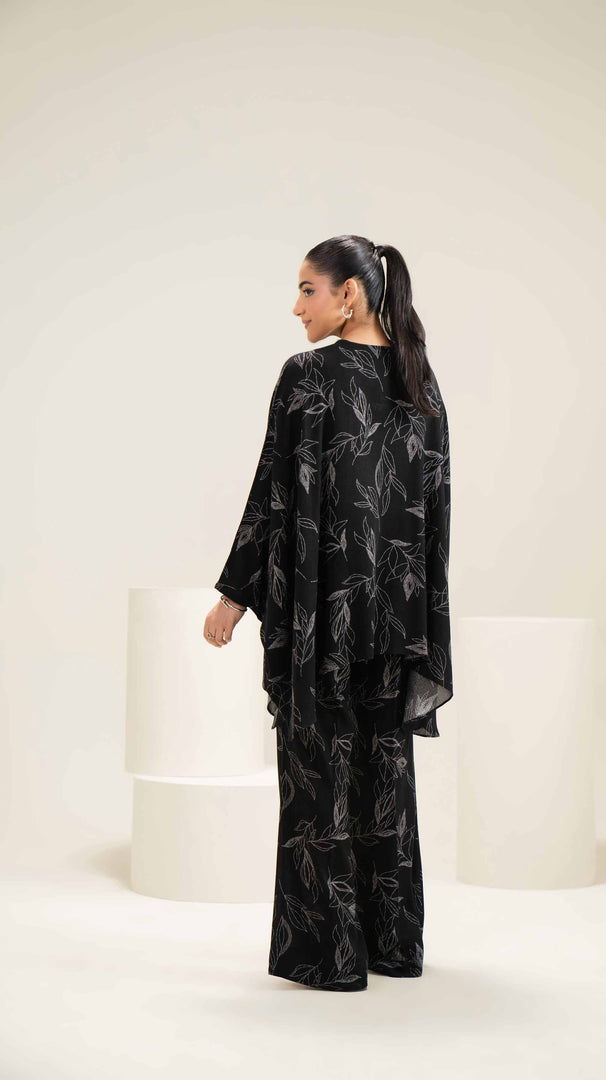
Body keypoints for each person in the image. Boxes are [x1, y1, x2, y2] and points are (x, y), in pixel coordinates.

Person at [203, 234, 452, 991]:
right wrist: (422, 622)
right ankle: (393, 947)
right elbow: (433, 516)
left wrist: (234, 597)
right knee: (385, 780)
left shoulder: (307, 376)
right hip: (396, 621)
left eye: (307, 289)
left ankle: (332, 956)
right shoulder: (420, 384)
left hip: (323, 618)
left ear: (349, 294)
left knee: (319, 777)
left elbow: (273, 491)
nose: (296, 306)